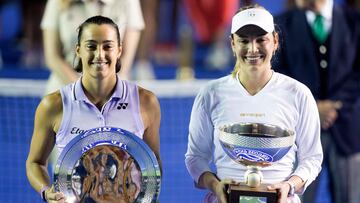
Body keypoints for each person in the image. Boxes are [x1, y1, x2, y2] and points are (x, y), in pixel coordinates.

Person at [185, 5, 323, 203]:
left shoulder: (299, 94)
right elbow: (195, 157)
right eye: (243, 40)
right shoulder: (211, 94)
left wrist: (289, 185)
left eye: (261, 39)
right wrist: (216, 185)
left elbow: (312, 158)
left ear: (275, 41)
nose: (252, 49)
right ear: (232, 43)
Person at [26, 15, 161, 202]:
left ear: (119, 50)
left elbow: (153, 162)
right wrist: (46, 191)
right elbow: (35, 162)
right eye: (91, 46)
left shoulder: (146, 102)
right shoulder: (53, 105)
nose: (100, 54)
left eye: (108, 46)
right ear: (78, 50)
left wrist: (148, 197)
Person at [273, 0, 360, 203]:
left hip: (347, 131)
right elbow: (277, 74)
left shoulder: (354, 21)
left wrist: (335, 106)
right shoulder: (280, 25)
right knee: (296, 199)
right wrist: (312, 107)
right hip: (299, 133)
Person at [41, 0, 145, 94]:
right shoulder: (56, 2)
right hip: (64, 89)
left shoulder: (129, 2)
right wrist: (81, 91)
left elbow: (125, 58)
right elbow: (53, 57)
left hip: (112, 93)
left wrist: (104, 94)